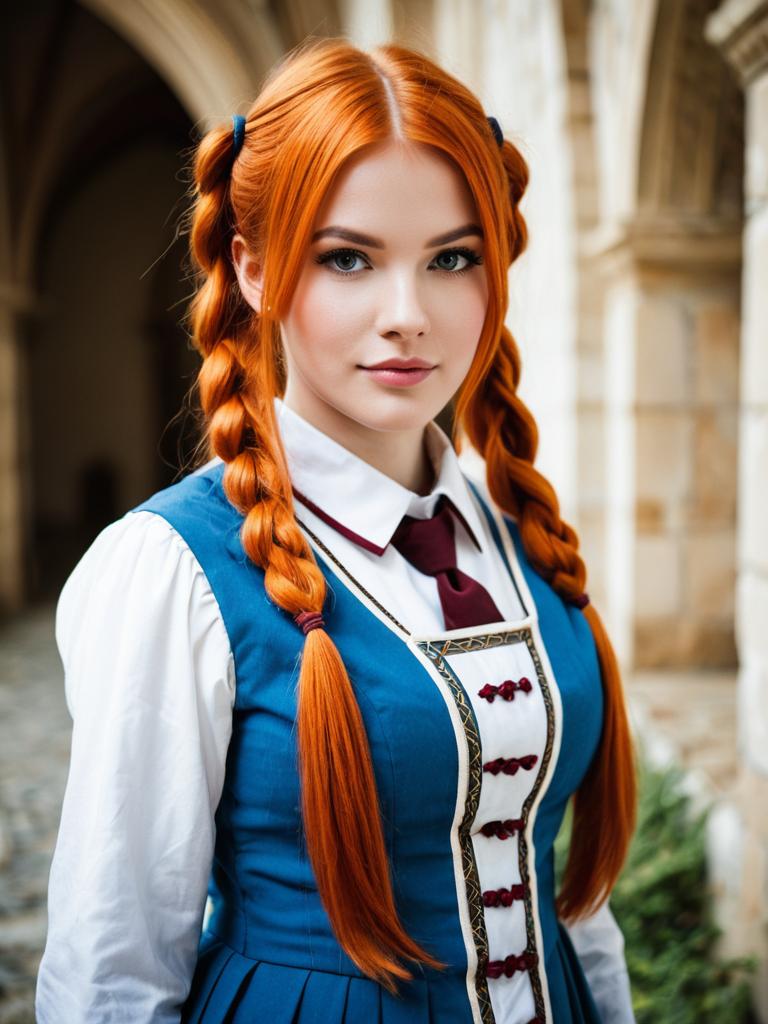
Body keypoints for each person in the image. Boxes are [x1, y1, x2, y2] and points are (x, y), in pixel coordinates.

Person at [35, 36, 638, 1024]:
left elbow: (571, 900)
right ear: (255, 269)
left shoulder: (522, 534)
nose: (408, 316)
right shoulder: (173, 571)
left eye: (452, 258)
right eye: (349, 258)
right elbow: (113, 970)